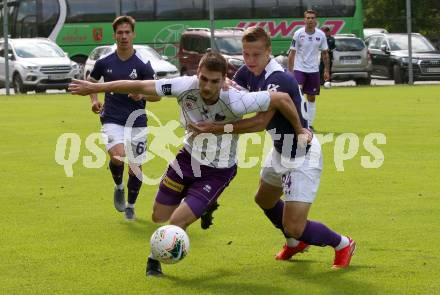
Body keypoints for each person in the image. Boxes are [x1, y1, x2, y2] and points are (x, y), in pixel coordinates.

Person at [69, 51, 310, 276]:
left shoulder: (237, 100)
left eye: (214, 81)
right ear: (198, 74)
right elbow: (138, 85)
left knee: (178, 221)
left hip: (218, 170)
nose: (207, 86)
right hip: (186, 158)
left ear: (223, 79)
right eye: (203, 79)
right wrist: (95, 87)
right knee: (158, 216)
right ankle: (205, 205)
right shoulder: (184, 86)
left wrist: (301, 129)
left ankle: (154, 259)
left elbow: (282, 98)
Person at [191, 27, 355, 269]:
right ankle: (294, 243)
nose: (249, 60)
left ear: (268, 51)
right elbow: (230, 98)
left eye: (256, 55)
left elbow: (259, 122)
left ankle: (342, 244)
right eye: (246, 54)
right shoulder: (249, 71)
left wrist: (215, 128)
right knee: (264, 199)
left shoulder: (277, 79)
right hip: (280, 150)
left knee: (295, 226)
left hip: (301, 155)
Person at [86, 16, 157, 221]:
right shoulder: (104, 62)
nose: (124, 36)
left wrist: (142, 95)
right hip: (112, 119)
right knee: (118, 157)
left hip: (137, 121)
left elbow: (157, 96)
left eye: (127, 32)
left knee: (135, 169)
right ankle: (118, 186)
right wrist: (94, 100)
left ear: (133, 35)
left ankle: (131, 207)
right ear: (114, 35)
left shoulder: (143, 64)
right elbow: (91, 83)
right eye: (120, 33)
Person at [288, 10, 330, 131]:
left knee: (311, 97)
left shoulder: (321, 35)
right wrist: (290, 72)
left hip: (313, 70)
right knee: (298, 95)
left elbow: (325, 54)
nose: (310, 20)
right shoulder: (298, 34)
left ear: (315, 20)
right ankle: (299, 123)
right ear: (304, 20)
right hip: (299, 69)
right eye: (308, 18)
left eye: (312, 18)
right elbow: (292, 53)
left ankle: (310, 125)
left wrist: (326, 70)